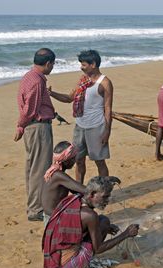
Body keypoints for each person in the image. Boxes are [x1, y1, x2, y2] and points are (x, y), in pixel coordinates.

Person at [42, 176, 139, 268]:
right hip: (66, 267)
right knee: (104, 221)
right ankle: (81, 265)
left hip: (53, 261)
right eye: (105, 197)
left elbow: (77, 226)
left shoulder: (75, 199)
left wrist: (106, 227)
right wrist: (126, 234)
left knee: (103, 222)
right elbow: (98, 249)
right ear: (92, 194)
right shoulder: (90, 215)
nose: (107, 201)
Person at [49, 50, 114, 183]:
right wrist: (51, 93)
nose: (81, 67)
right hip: (80, 127)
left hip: (97, 127)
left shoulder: (105, 83)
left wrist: (107, 131)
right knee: (78, 160)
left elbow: (108, 108)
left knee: (99, 162)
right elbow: (69, 98)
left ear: (93, 64)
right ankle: (79, 190)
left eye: (84, 65)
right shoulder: (83, 81)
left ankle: (104, 191)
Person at [14, 48, 56, 222]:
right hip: (38, 127)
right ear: (47, 63)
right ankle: (36, 209)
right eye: (53, 64)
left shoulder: (29, 76)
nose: (53, 67)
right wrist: (20, 125)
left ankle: (34, 206)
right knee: (40, 170)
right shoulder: (37, 82)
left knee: (33, 169)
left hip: (33, 127)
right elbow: (29, 109)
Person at [41, 141, 86, 225]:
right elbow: (85, 190)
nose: (75, 161)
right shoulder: (58, 175)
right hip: (54, 219)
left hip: (51, 216)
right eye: (73, 158)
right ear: (67, 161)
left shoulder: (54, 172)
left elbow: (76, 190)